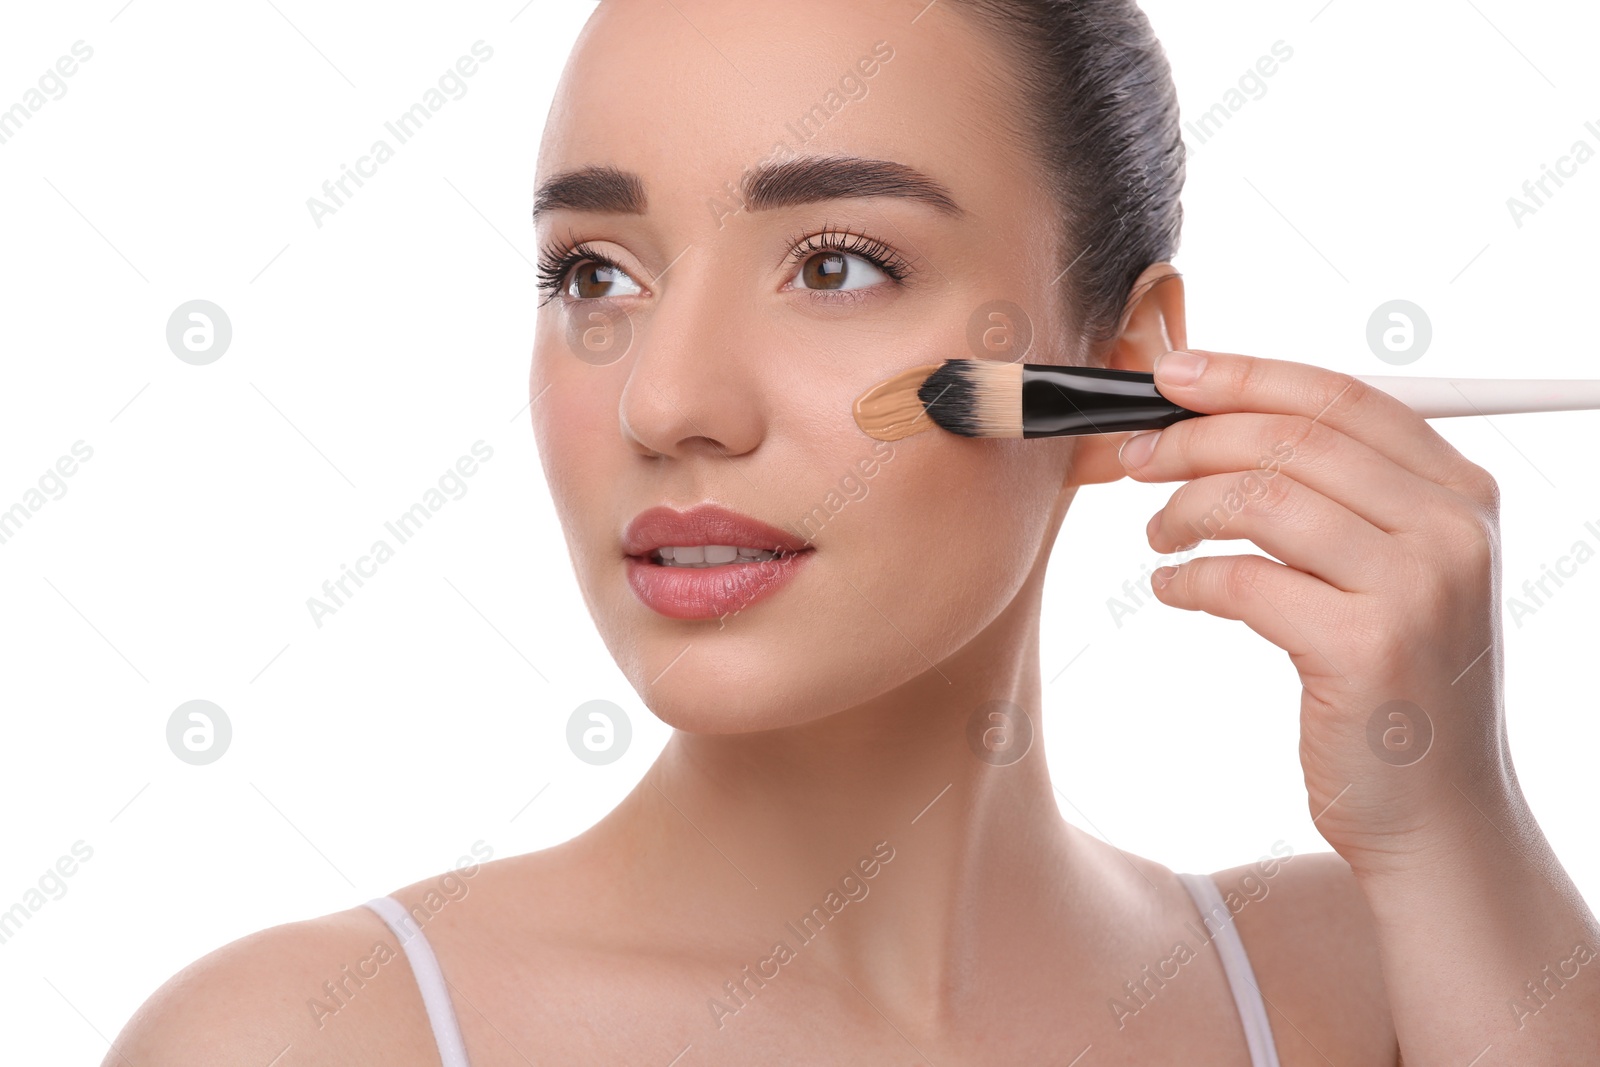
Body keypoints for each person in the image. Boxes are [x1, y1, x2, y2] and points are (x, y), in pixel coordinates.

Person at [108, 1, 1600, 1063]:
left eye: (835, 265)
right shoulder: (307, 1040)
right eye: (594, 275)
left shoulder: (1367, 981)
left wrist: (1445, 812)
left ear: (1122, 374)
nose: (668, 399)